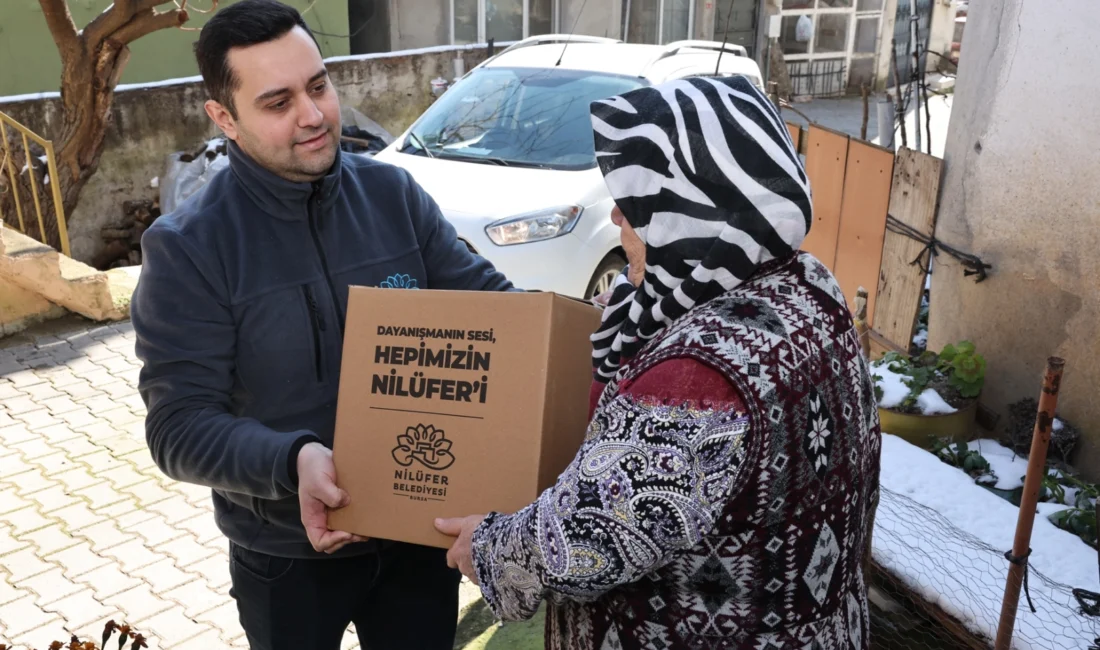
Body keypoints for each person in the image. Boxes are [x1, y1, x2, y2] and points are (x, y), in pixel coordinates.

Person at [436, 75, 882, 649]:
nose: (618, 218)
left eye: (636, 201)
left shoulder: (696, 379)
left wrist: (491, 547)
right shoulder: (806, 284)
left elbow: (595, 534)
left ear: (691, 205)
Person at [129, 1, 515, 648]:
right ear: (224, 118)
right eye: (278, 103)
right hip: (285, 555)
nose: (313, 116)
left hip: (417, 534)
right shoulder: (189, 248)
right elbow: (177, 429)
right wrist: (293, 459)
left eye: (318, 86)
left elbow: (500, 317)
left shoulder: (395, 198)